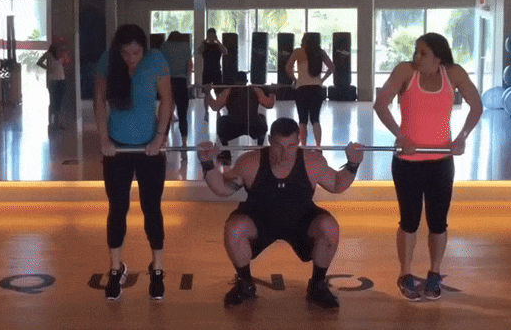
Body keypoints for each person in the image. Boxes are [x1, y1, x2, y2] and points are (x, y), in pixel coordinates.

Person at [197, 117, 364, 310]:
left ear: (299, 142)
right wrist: (207, 164)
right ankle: (245, 284)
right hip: (259, 221)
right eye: (278, 146)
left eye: (291, 146)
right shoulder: (250, 162)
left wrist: (353, 164)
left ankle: (317, 286)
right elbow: (222, 189)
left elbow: (336, 184)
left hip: (301, 222)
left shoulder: (312, 162)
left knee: (330, 228)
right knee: (234, 229)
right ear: (269, 140)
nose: (285, 154)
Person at [373, 32, 482, 301]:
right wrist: (401, 136)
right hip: (408, 163)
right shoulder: (405, 71)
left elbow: (477, 106)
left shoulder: (453, 74)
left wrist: (462, 137)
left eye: (423, 53)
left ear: (438, 57)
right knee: (409, 222)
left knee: (438, 223)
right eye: (416, 51)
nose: (416, 57)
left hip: (441, 162)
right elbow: (381, 104)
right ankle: (405, 274)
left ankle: (435, 272)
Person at [94, 24, 174, 301]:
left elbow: (167, 100)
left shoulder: (156, 60)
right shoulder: (108, 60)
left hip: (149, 148)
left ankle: (158, 269)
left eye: (136, 53)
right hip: (117, 149)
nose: (130, 58)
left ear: (144, 49)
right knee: (117, 209)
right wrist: (104, 139)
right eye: (125, 53)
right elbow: (99, 101)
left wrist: (160, 137)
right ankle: (116, 269)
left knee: (152, 209)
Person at [205, 71, 276, 165]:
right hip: (253, 126)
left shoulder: (228, 91)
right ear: (246, 81)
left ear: (234, 81)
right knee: (261, 118)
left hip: (234, 126)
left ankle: (226, 153)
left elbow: (215, 107)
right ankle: (259, 150)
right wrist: (272, 92)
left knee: (220, 121)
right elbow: (269, 104)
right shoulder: (256, 90)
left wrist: (208, 92)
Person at [286, 33, 335, 146]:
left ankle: (304, 146)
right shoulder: (320, 52)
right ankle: (318, 146)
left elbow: (288, 68)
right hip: (316, 89)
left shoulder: (298, 52)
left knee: (302, 121)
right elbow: (332, 67)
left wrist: (294, 79)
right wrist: (322, 80)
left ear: (304, 41)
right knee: (315, 119)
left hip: (301, 89)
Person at [160, 31, 193, 159]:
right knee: (183, 114)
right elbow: (189, 65)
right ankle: (184, 143)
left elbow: (161, 64)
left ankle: (163, 141)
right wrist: (188, 80)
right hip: (181, 81)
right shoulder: (186, 47)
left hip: (168, 81)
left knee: (167, 113)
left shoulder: (164, 46)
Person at [36, 41, 69, 130]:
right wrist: (47, 68)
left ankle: (59, 122)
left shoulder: (61, 54)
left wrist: (65, 57)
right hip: (53, 81)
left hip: (61, 79)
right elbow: (39, 62)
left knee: (60, 102)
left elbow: (66, 63)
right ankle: (52, 122)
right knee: (54, 102)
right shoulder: (48, 54)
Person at [198, 28, 228, 121]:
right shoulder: (204, 45)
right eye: (209, 35)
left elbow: (225, 51)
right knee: (207, 93)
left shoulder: (217, 45)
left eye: (212, 35)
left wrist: (217, 40)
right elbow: (198, 52)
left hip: (216, 71)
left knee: (218, 93)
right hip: (207, 71)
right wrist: (205, 40)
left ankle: (218, 111)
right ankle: (206, 112)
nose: (211, 37)